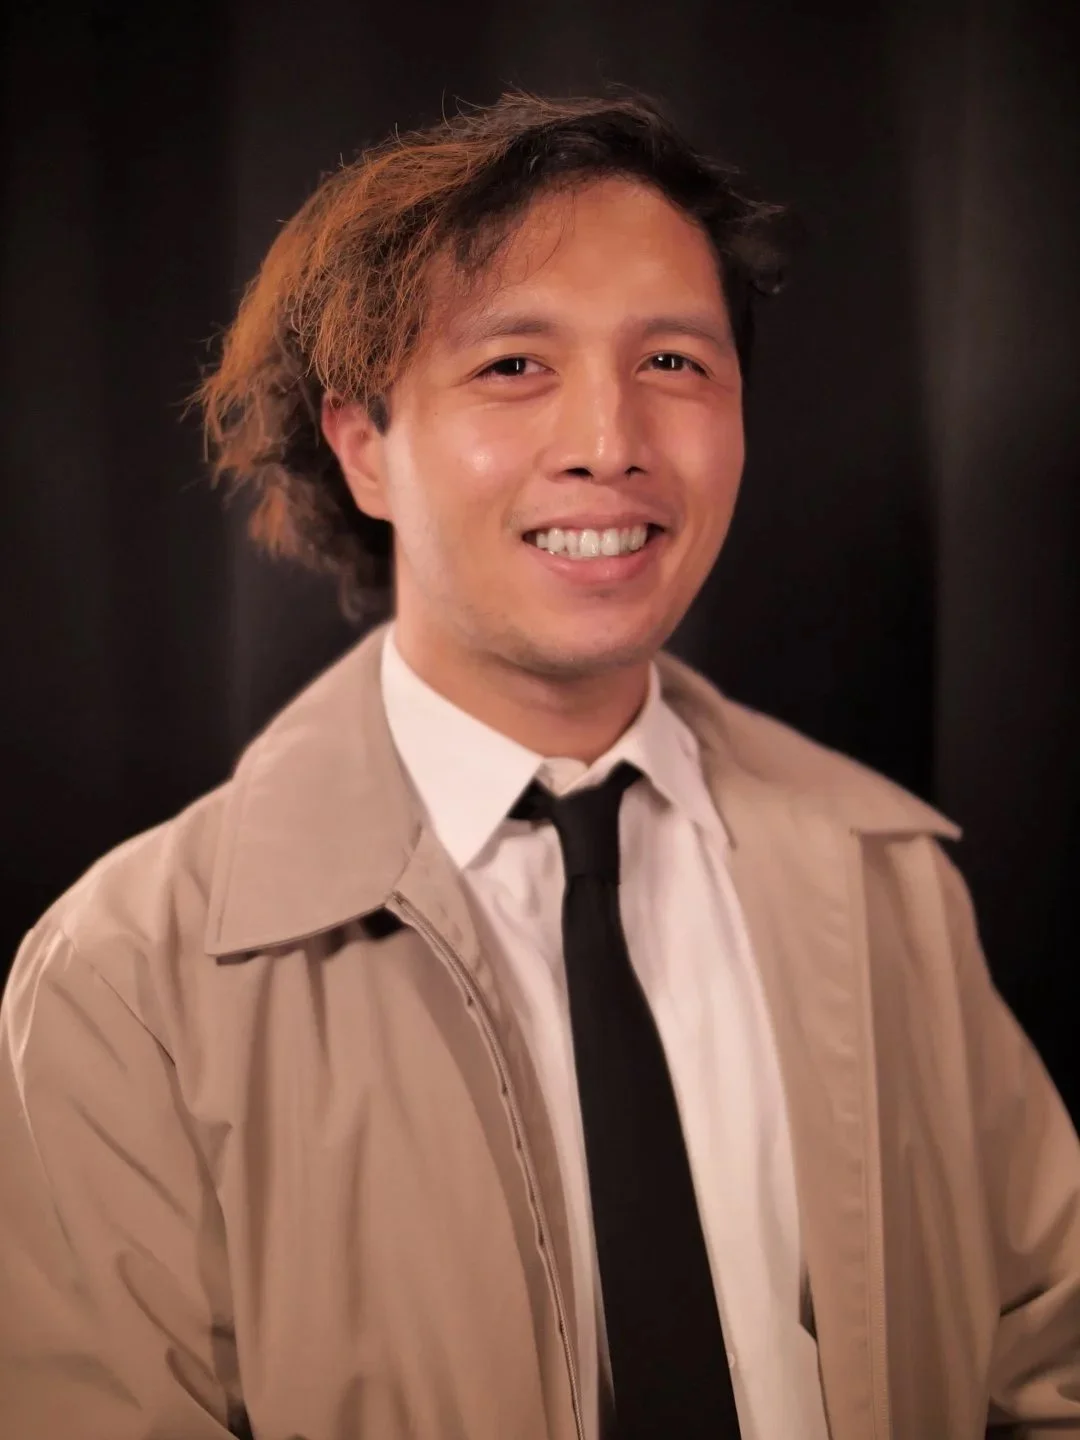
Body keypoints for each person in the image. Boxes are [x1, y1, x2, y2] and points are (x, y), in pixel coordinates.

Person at [1, 88, 1077, 1440]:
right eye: (514, 365)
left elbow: (1055, 1359)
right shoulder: (125, 985)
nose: (610, 442)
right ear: (364, 447)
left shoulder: (889, 883)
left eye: (674, 363)